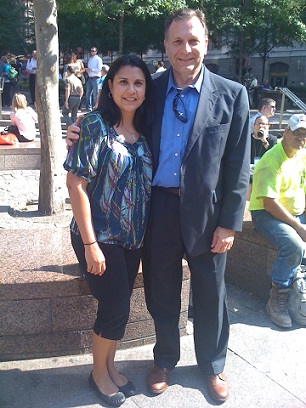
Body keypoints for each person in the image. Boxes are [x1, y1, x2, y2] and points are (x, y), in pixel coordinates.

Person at [65, 8, 250, 404]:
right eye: (177, 41)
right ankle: (164, 359)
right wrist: (80, 131)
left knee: (211, 291)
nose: (186, 49)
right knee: (161, 291)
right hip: (158, 209)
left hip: (209, 214)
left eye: (193, 40)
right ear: (166, 46)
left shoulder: (233, 95)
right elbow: (117, 117)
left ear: (206, 43)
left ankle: (213, 364)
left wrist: (230, 224)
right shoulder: (153, 91)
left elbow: (238, 165)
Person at [63, 54, 153, 407]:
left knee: (119, 307)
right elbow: (76, 186)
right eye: (123, 82)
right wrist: (90, 244)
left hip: (131, 239)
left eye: (138, 83)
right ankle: (98, 374)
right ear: (110, 86)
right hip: (99, 235)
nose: (131, 90)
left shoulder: (144, 131)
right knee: (114, 307)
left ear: (146, 89)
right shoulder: (95, 126)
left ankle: (110, 367)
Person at [249, 114, 306, 328]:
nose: (301, 138)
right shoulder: (271, 160)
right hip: (267, 214)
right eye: (296, 133)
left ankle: (300, 286)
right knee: (294, 245)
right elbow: (268, 203)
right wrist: (299, 226)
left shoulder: (302, 155)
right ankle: (277, 298)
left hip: (295, 212)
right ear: (285, 132)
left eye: (305, 134)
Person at [85, 46, 103, 111]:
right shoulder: (90, 59)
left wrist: (91, 70)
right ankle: (88, 107)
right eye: (91, 51)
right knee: (88, 94)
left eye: (93, 51)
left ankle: (95, 107)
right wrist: (87, 70)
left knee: (95, 94)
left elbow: (99, 69)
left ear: (96, 51)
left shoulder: (98, 59)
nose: (92, 52)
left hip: (96, 78)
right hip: (90, 78)